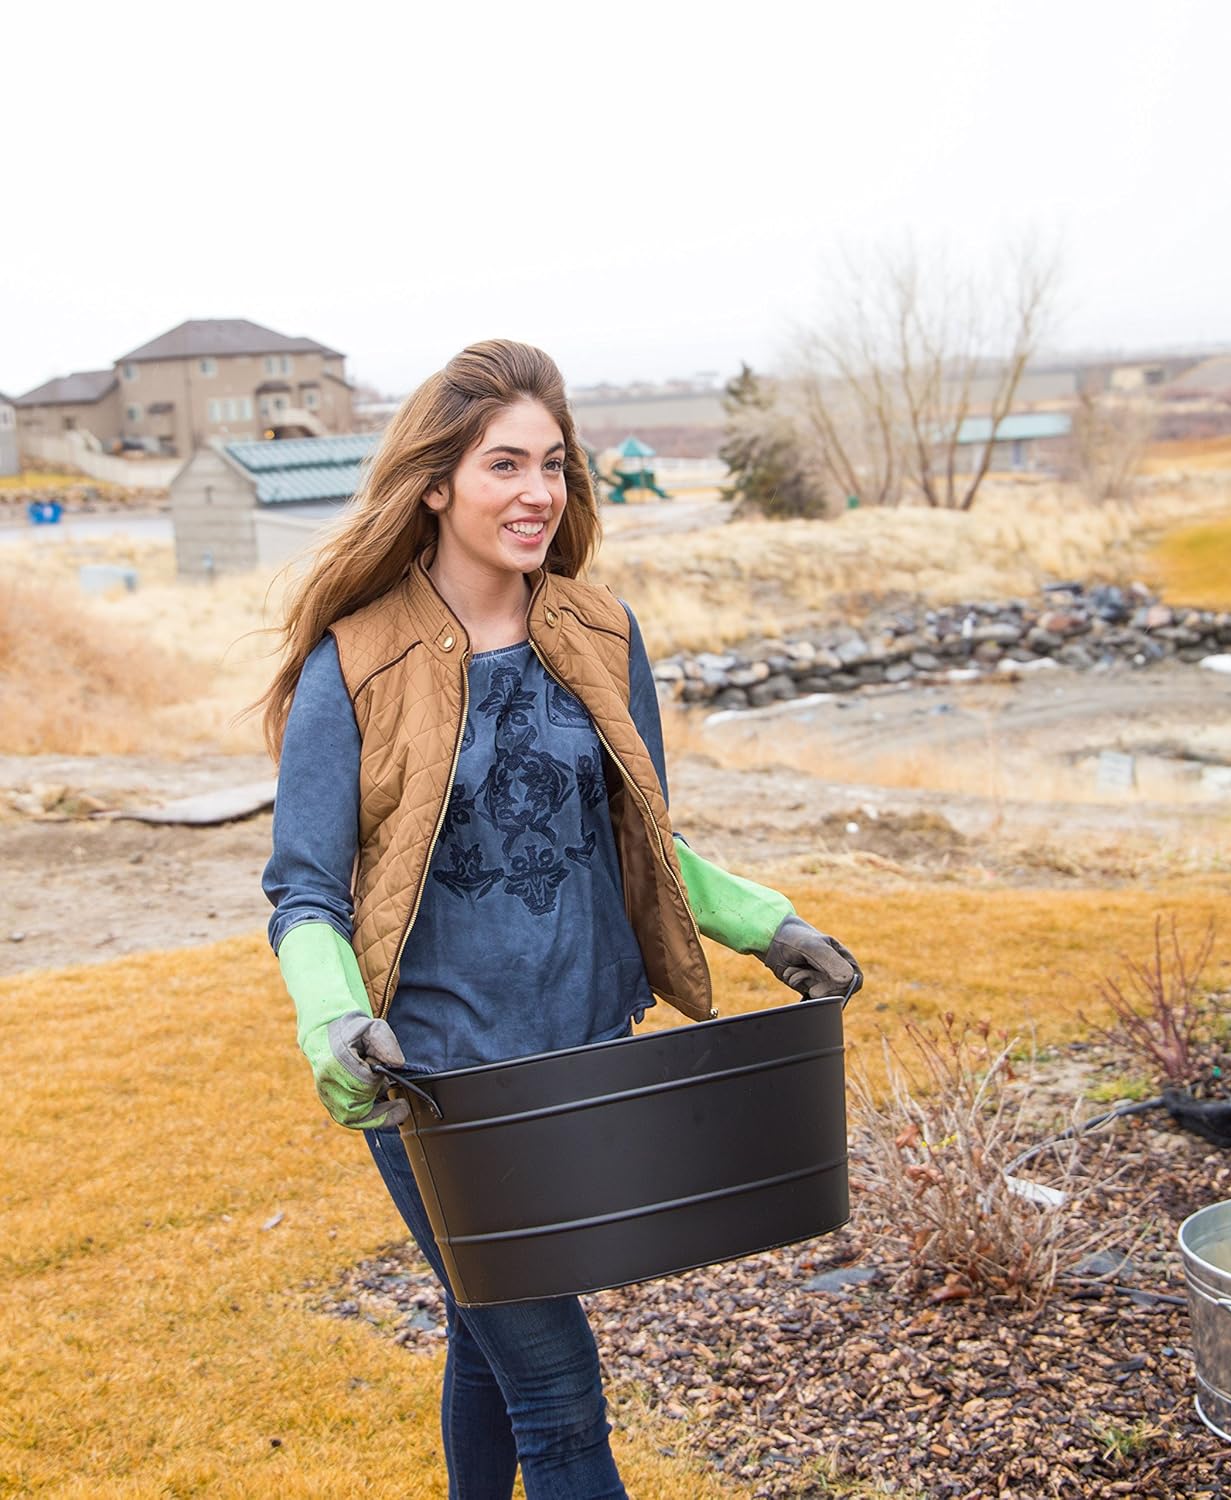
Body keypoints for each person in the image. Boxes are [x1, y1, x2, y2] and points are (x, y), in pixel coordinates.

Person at [258, 338, 862, 1499]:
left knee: (490, 1343)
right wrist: (334, 1021)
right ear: (436, 483)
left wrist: (762, 922)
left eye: (554, 464)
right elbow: (305, 895)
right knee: (559, 1396)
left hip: (575, 1061)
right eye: (503, 465)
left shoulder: (598, 631)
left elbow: (632, 831)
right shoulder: (357, 666)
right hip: (439, 1083)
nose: (538, 493)